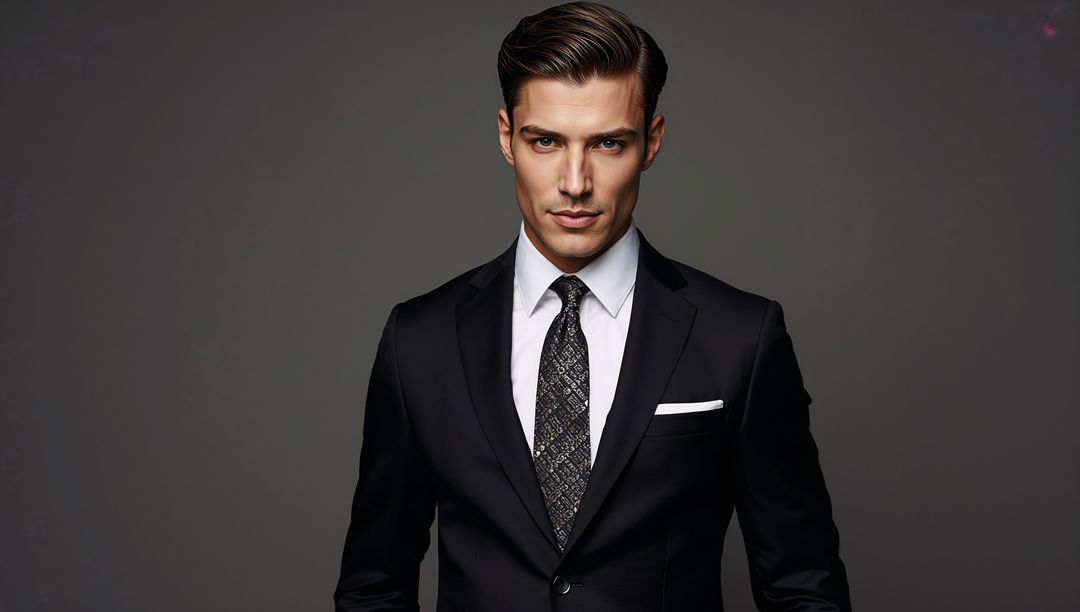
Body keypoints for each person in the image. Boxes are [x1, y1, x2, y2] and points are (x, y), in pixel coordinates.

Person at [333, 2, 851, 610]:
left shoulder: (741, 336)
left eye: (608, 143)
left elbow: (803, 589)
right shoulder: (418, 340)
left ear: (650, 143)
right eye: (546, 141)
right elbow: (374, 588)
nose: (575, 181)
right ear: (507, 139)